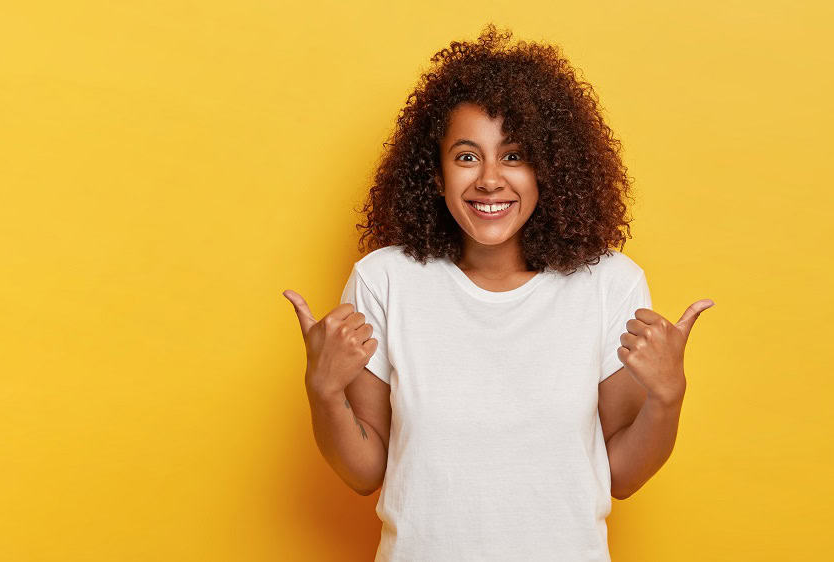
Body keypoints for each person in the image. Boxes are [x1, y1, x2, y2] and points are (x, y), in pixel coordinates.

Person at [283, 23, 714, 561]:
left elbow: (621, 476)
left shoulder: (610, 283)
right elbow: (364, 472)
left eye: (514, 156)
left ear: (548, 170)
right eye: (467, 156)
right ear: (435, 175)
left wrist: (668, 396)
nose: (489, 179)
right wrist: (322, 390)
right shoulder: (385, 280)